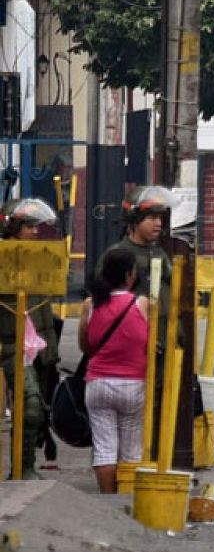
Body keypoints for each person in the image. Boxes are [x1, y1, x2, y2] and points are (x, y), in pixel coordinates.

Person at [77, 247, 150, 493]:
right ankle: (126, 498)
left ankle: (107, 499)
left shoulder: (90, 304)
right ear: (129, 275)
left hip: (97, 383)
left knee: (104, 447)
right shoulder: (141, 304)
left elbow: (85, 346)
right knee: (131, 449)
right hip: (133, 384)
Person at [1, 199, 62, 472]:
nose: (35, 232)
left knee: (36, 409)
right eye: (29, 226)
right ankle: (21, 468)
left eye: (36, 227)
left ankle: (26, 465)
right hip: (9, 343)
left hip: (35, 347)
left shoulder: (42, 259)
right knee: (30, 405)